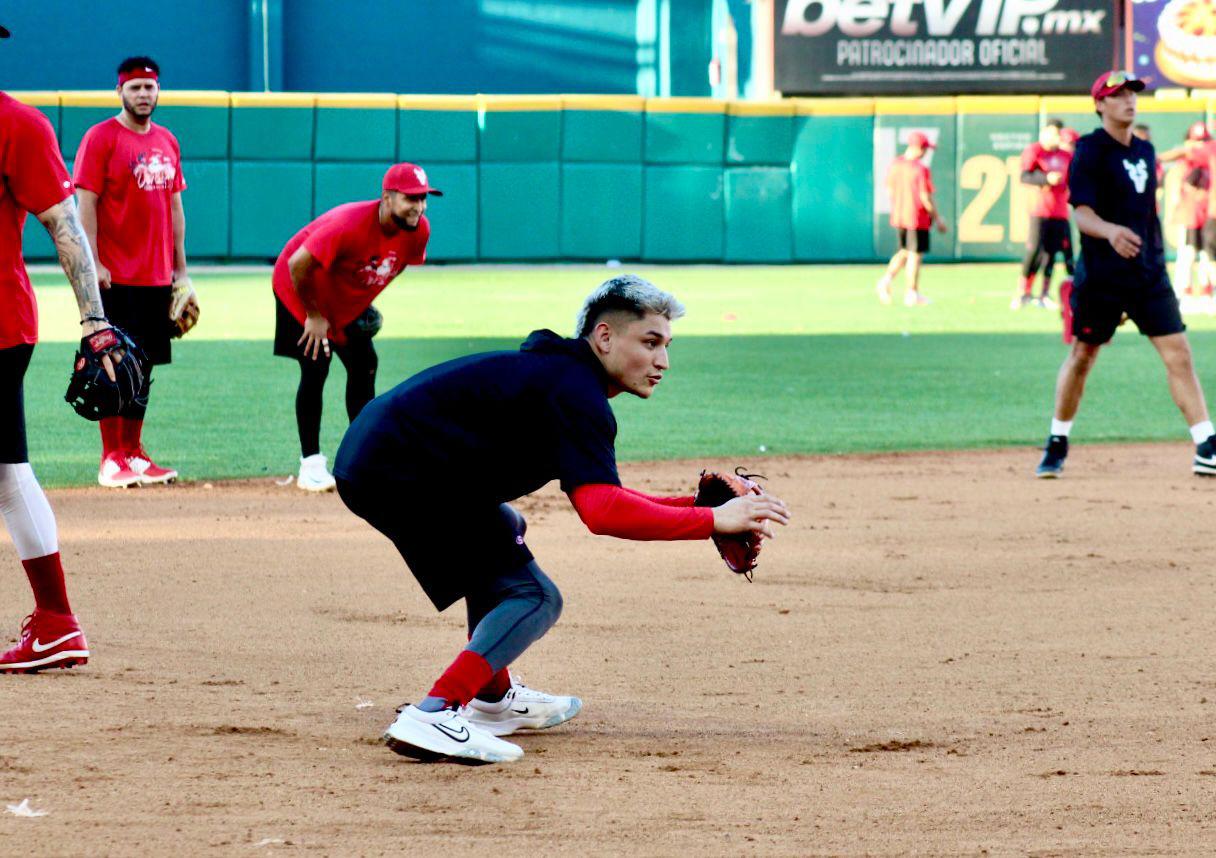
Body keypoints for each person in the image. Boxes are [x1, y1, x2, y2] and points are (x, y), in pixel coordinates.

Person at [333, 274, 791, 763]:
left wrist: (702, 509)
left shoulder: (566, 379)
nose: (662, 361)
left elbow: (603, 494)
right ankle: (435, 713)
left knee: (504, 531)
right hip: (400, 468)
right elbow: (603, 513)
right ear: (605, 337)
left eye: (667, 346)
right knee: (535, 596)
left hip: (389, 458)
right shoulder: (576, 393)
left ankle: (492, 698)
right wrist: (712, 522)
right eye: (650, 342)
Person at [1, 21, 122, 671]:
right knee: (6, 472)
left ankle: (56, 621)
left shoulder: (18, 126)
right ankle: (54, 623)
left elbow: (63, 224)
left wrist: (95, 321)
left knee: (9, 470)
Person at [1036, 71, 1216, 478]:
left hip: (1148, 275)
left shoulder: (1146, 151)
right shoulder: (1089, 150)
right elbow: (1080, 213)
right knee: (1083, 356)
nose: (1129, 101)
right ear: (1099, 104)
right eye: (1117, 95)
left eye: (1132, 93)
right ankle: (1057, 440)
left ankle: (1206, 442)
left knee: (1180, 354)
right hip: (1102, 276)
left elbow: (1146, 213)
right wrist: (1111, 231)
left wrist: (1157, 257)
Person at [272, 163, 436, 492]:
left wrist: (360, 300)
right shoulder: (349, 223)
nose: (418, 206)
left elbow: (395, 267)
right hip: (299, 289)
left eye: (423, 198)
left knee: (364, 366)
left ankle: (363, 456)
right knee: (316, 365)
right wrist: (315, 316)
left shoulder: (418, 230)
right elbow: (298, 264)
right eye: (410, 198)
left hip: (340, 298)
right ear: (387, 198)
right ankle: (311, 465)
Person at [74, 57, 188, 488]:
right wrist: (93, 261)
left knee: (144, 365)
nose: (144, 94)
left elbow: (175, 207)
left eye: (149, 87)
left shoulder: (168, 141)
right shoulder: (101, 138)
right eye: (135, 87)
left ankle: (135, 454)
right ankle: (110, 457)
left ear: (159, 91)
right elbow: (85, 202)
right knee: (112, 364)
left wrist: (181, 270)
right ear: (120, 91)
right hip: (114, 275)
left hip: (157, 276)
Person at [876, 131, 948, 306]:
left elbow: (889, 190)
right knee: (914, 255)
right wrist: (937, 219)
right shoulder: (920, 169)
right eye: (924, 149)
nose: (925, 153)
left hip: (899, 215)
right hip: (916, 216)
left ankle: (885, 281)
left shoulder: (895, 165)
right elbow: (925, 197)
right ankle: (912, 293)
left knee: (904, 251)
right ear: (918, 148)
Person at [1012, 119, 1074, 311]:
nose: (1057, 138)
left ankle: (1044, 294)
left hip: (1060, 211)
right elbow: (1025, 176)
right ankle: (1023, 291)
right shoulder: (1035, 151)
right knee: (1034, 251)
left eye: (1059, 134)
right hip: (1039, 210)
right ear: (1045, 132)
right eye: (1053, 133)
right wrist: (1046, 178)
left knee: (1051, 253)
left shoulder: (1066, 155)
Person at [1160, 122, 1213, 302]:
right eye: (1197, 140)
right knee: (1187, 253)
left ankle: (1207, 290)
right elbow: (1174, 190)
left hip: (1207, 215)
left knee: (1208, 255)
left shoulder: (1208, 158)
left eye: (1203, 140)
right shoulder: (1184, 164)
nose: (1200, 144)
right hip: (1189, 215)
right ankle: (1182, 292)